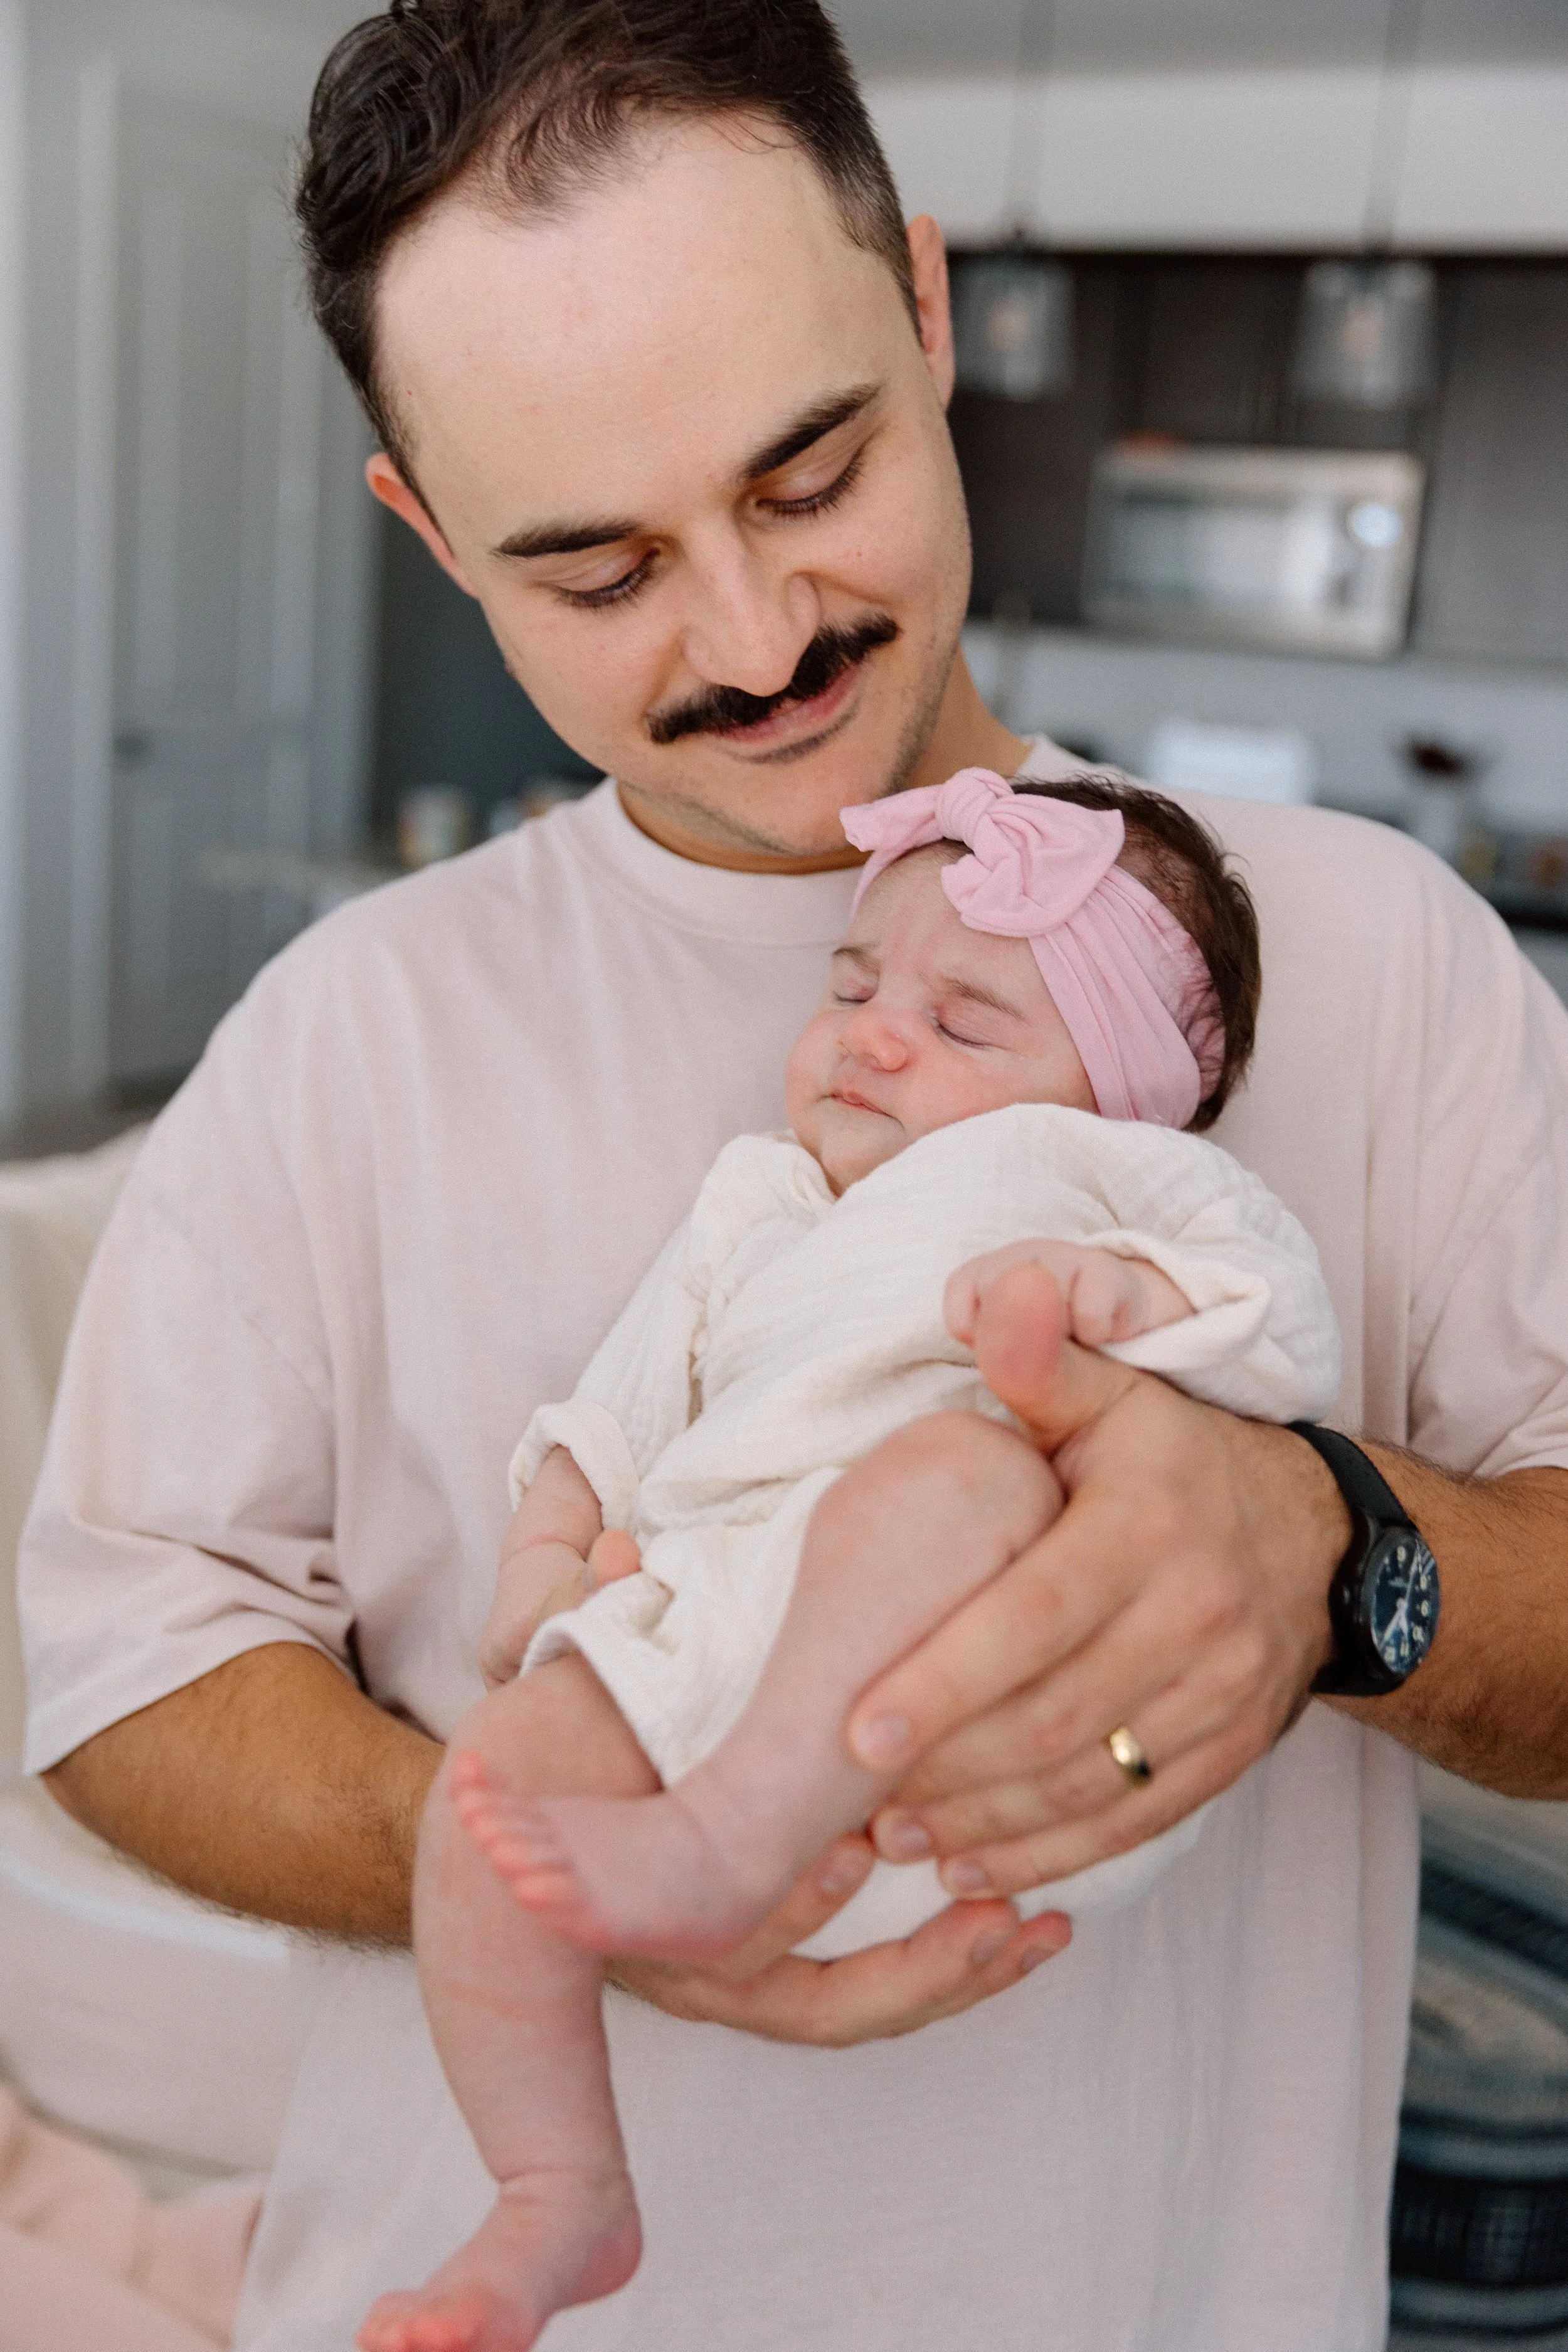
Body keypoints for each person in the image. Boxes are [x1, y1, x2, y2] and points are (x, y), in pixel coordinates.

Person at [17, 5, 1568, 2347]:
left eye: (812, 468)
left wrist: (1340, 1553)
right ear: (434, 536)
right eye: (595, 567)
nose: (757, 640)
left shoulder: (1370, 953)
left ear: (928, 315)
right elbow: (119, 1680)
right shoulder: (349, 1032)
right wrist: (547, 1857)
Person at [364, 768, 1343, 2352]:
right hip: (726, 1615)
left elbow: (1283, 1326)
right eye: (851, 987)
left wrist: (1114, 1294)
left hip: (994, 1680)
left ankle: (726, 1842)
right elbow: (619, 1402)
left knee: (949, 1471)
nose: (874, 1034)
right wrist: (548, 1553)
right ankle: (555, 2189)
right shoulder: (761, 1194)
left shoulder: (1119, 1179)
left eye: (964, 1025)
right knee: (492, 1790)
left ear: (1122, 1093)